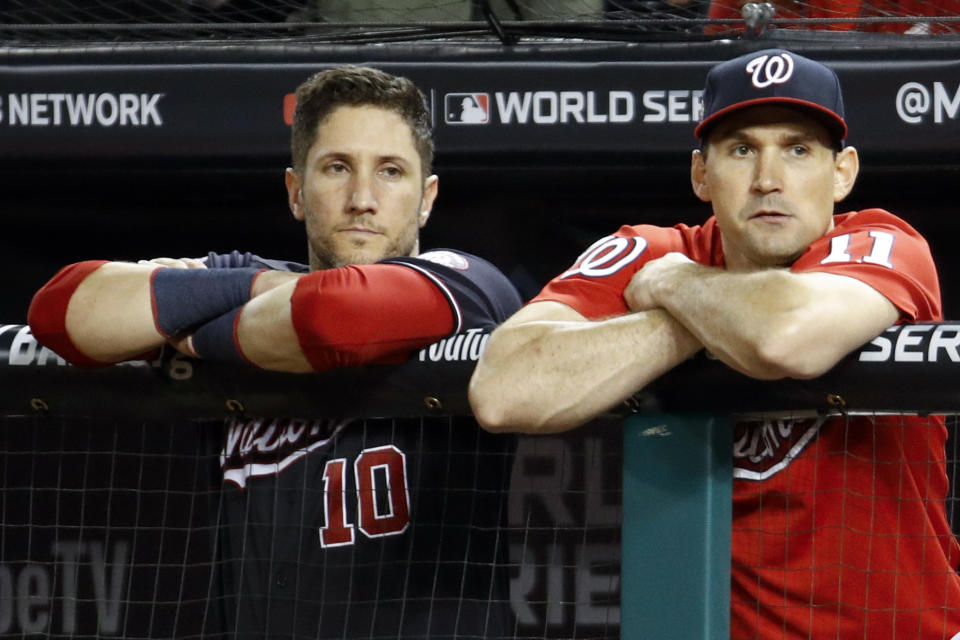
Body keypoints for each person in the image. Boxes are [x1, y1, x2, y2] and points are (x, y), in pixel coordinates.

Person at [469, 48, 960, 638]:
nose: (768, 179)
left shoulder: (882, 243)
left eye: (798, 149)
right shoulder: (647, 250)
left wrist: (674, 286)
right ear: (702, 174)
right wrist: (693, 317)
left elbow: (784, 338)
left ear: (842, 172)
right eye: (742, 149)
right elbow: (502, 390)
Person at [28, 65, 522, 639]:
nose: (363, 199)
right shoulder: (247, 280)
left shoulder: (470, 287)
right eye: (337, 168)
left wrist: (187, 321)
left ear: (427, 198)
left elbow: (329, 317)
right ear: (295, 191)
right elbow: (62, 311)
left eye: (390, 172)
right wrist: (259, 290)